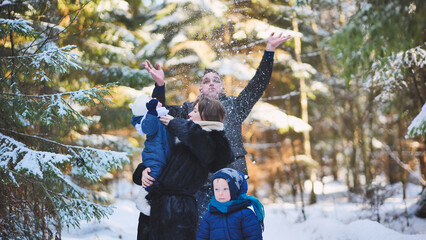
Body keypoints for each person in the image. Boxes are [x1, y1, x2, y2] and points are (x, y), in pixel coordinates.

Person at [143, 32, 292, 223]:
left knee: (231, 231)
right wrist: (160, 85)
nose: (211, 83)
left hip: (231, 179)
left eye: (216, 80)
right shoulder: (188, 109)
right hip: (197, 183)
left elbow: (257, 85)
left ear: (222, 88)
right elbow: (159, 113)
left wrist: (269, 51)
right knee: (200, 231)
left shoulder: (235, 107)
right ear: (200, 90)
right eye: (206, 81)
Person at [133, 95, 234, 240]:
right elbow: (158, 160)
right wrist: (142, 172)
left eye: (195, 111)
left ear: (207, 116)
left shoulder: (214, 140)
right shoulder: (181, 136)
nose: (189, 114)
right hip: (154, 208)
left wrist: (176, 123)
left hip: (178, 212)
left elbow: (210, 151)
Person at [129, 95, 173, 216]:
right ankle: (142, 199)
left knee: (157, 178)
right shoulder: (150, 119)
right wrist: (152, 112)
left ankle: (149, 198)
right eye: (150, 100)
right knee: (153, 177)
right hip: (154, 158)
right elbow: (149, 127)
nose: (155, 99)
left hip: (161, 156)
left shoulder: (161, 116)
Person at [197, 168, 264, 240]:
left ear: (234, 190)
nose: (220, 193)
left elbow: (254, 237)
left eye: (225, 189)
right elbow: (202, 237)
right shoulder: (209, 216)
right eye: (217, 189)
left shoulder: (245, 214)